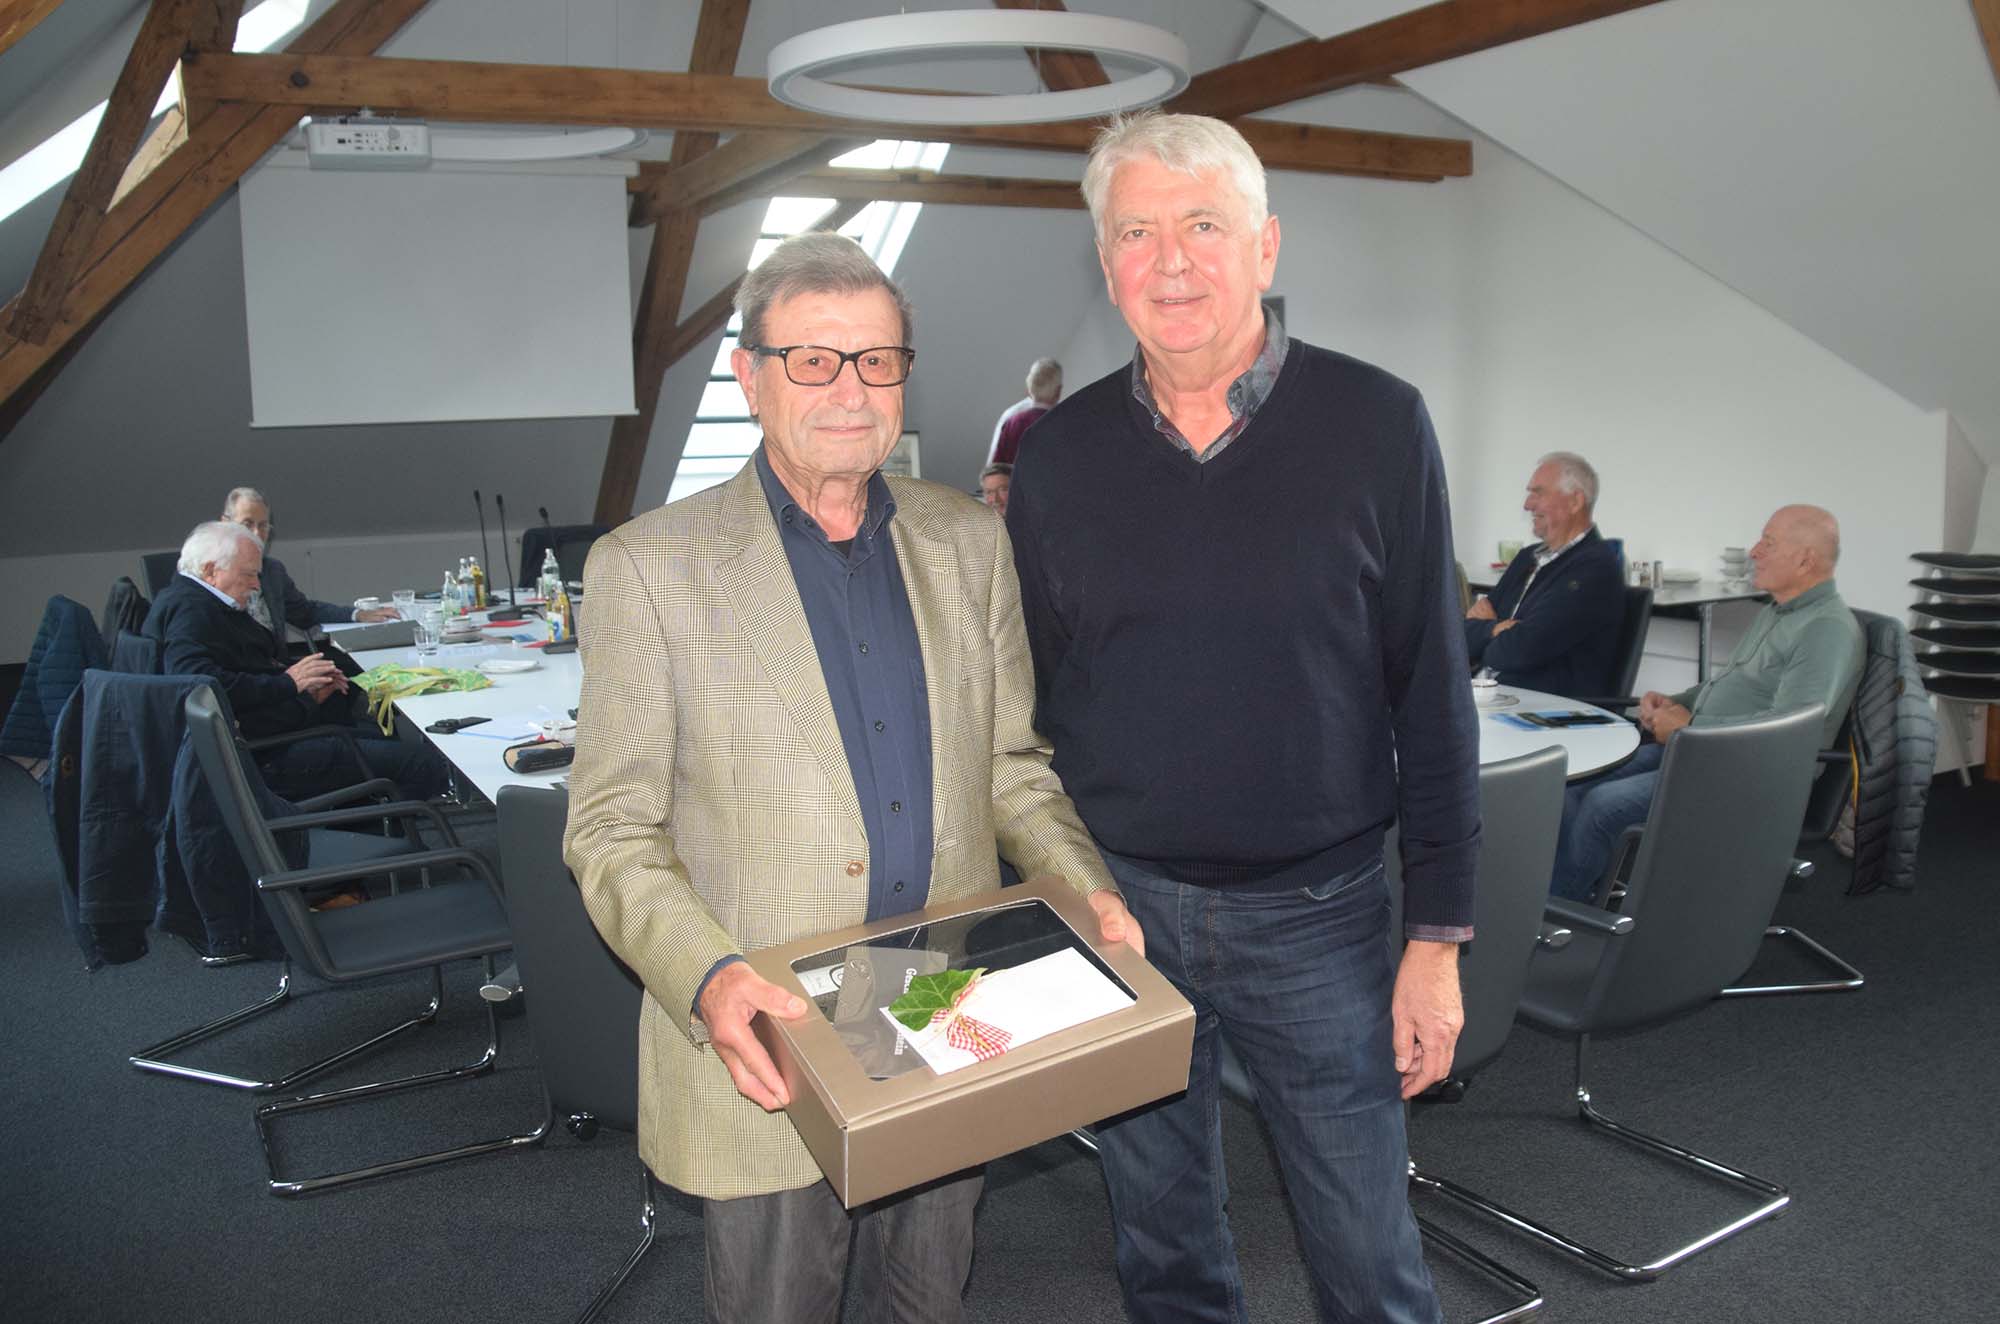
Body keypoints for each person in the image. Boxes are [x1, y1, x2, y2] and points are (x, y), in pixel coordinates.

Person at [561, 233, 1139, 1324]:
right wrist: (707, 977)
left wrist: (1085, 888)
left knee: (928, 1298)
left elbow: (1012, 767)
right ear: (749, 377)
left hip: (942, 1000)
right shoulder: (648, 568)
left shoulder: (968, 542)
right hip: (775, 1024)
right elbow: (610, 829)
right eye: (813, 360)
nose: (849, 390)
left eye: (876, 360)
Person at [1006, 111, 1472, 1323]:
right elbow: (1041, 706)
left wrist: (1435, 941)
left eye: (1202, 225)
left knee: (1367, 1262)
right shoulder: (1056, 457)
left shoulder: (1378, 424)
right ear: (1104, 263)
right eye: (1135, 233)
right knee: (1161, 1250)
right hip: (1122, 914)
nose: (1169, 261)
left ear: (1264, 246)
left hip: (1316, 918)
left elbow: (1432, 694)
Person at [1550, 503, 1863, 901]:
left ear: (1805, 560)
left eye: (1768, 543)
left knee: (1602, 805)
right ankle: (1571, 894)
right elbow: (1728, 685)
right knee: (1572, 783)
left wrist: (1690, 727)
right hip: (1702, 751)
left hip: (1748, 775)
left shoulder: (1825, 629)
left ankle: (1559, 913)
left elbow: (1789, 730)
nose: (1753, 551)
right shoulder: (1778, 612)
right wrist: (1675, 702)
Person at [143, 521, 448, 803]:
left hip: (266, 736)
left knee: (376, 733)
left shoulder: (195, 600)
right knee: (423, 763)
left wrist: (305, 683)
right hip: (261, 755)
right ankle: (386, 830)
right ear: (211, 570)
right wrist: (291, 685)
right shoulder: (191, 611)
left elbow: (240, 670)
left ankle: (369, 824)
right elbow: (198, 685)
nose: (256, 585)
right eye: (248, 574)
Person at [1465, 452, 1625, 694]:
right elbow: (1460, 640)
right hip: (1486, 695)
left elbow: (1515, 653)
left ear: (1575, 501)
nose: (1527, 505)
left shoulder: (1594, 568)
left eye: (1538, 493)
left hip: (1541, 706)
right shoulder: (1527, 557)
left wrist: (1486, 627)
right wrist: (1496, 629)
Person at [221, 487, 399, 656]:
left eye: (263, 526)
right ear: (225, 523)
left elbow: (304, 612)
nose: (256, 533)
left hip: (278, 668)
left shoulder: (272, 570)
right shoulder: (214, 576)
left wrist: (357, 614)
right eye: (247, 524)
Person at [987, 356, 1061, 465]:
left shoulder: (1011, 419)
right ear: (1058, 391)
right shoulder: (1062, 424)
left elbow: (994, 467)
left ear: (1029, 387)